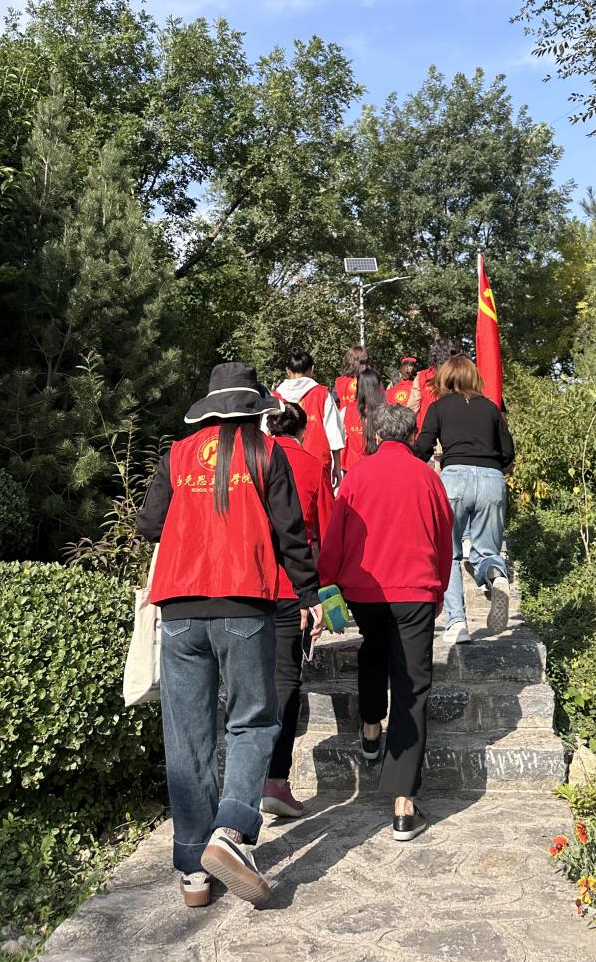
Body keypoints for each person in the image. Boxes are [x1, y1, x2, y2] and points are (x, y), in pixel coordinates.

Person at [138, 362, 324, 909]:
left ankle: (194, 872)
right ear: (254, 410)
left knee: (187, 734)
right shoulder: (267, 454)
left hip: (179, 607)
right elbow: (292, 535)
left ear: (210, 409)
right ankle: (231, 830)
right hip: (244, 601)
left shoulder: (176, 455)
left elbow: (149, 526)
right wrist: (311, 596)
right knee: (253, 720)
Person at [318, 403, 453, 842]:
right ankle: (403, 805)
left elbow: (336, 533)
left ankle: (371, 727)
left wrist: (326, 582)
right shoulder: (427, 477)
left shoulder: (357, 475)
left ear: (376, 436)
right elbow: (444, 536)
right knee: (412, 687)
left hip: (366, 590)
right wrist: (439, 589)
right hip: (415, 588)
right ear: (413, 435)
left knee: (373, 651)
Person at [261, 401, 335, 821]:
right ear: (303, 431)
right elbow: (327, 528)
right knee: (286, 679)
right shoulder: (311, 464)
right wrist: (321, 592)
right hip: (292, 587)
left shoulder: (251, 461)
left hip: (247, 583)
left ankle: (245, 779)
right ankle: (275, 780)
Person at [414, 354, 515, 645]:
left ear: (445, 378)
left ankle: (457, 622)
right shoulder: (491, 408)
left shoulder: (438, 407)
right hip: (492, 480)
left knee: (449, 553)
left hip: (454, 479)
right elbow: (508, 453)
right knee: (486, 551)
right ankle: (495, 575)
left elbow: (423, 448)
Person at [274, 347, 346, 486]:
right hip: (317, 464)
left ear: (287, 371)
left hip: (282, 465)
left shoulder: (276, 397)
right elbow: (334, 433)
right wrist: (337, 466)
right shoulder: (322, 394)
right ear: (312, 370)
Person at [339, 366, 386, 472]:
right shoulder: (386, 414)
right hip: (377, 468)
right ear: (378, 387)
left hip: (351, 469)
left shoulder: (346, 411)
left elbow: (339, 440)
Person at [406, 338, 459, 432]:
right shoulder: (459, 375)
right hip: (454, 430)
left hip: (428, 431)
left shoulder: (422, 377)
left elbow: (412, 408)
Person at [332, 344, 369, 410]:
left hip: (344, 415)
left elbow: (334, 404)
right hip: (363, 415)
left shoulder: (339, 381)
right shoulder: (368, 379)